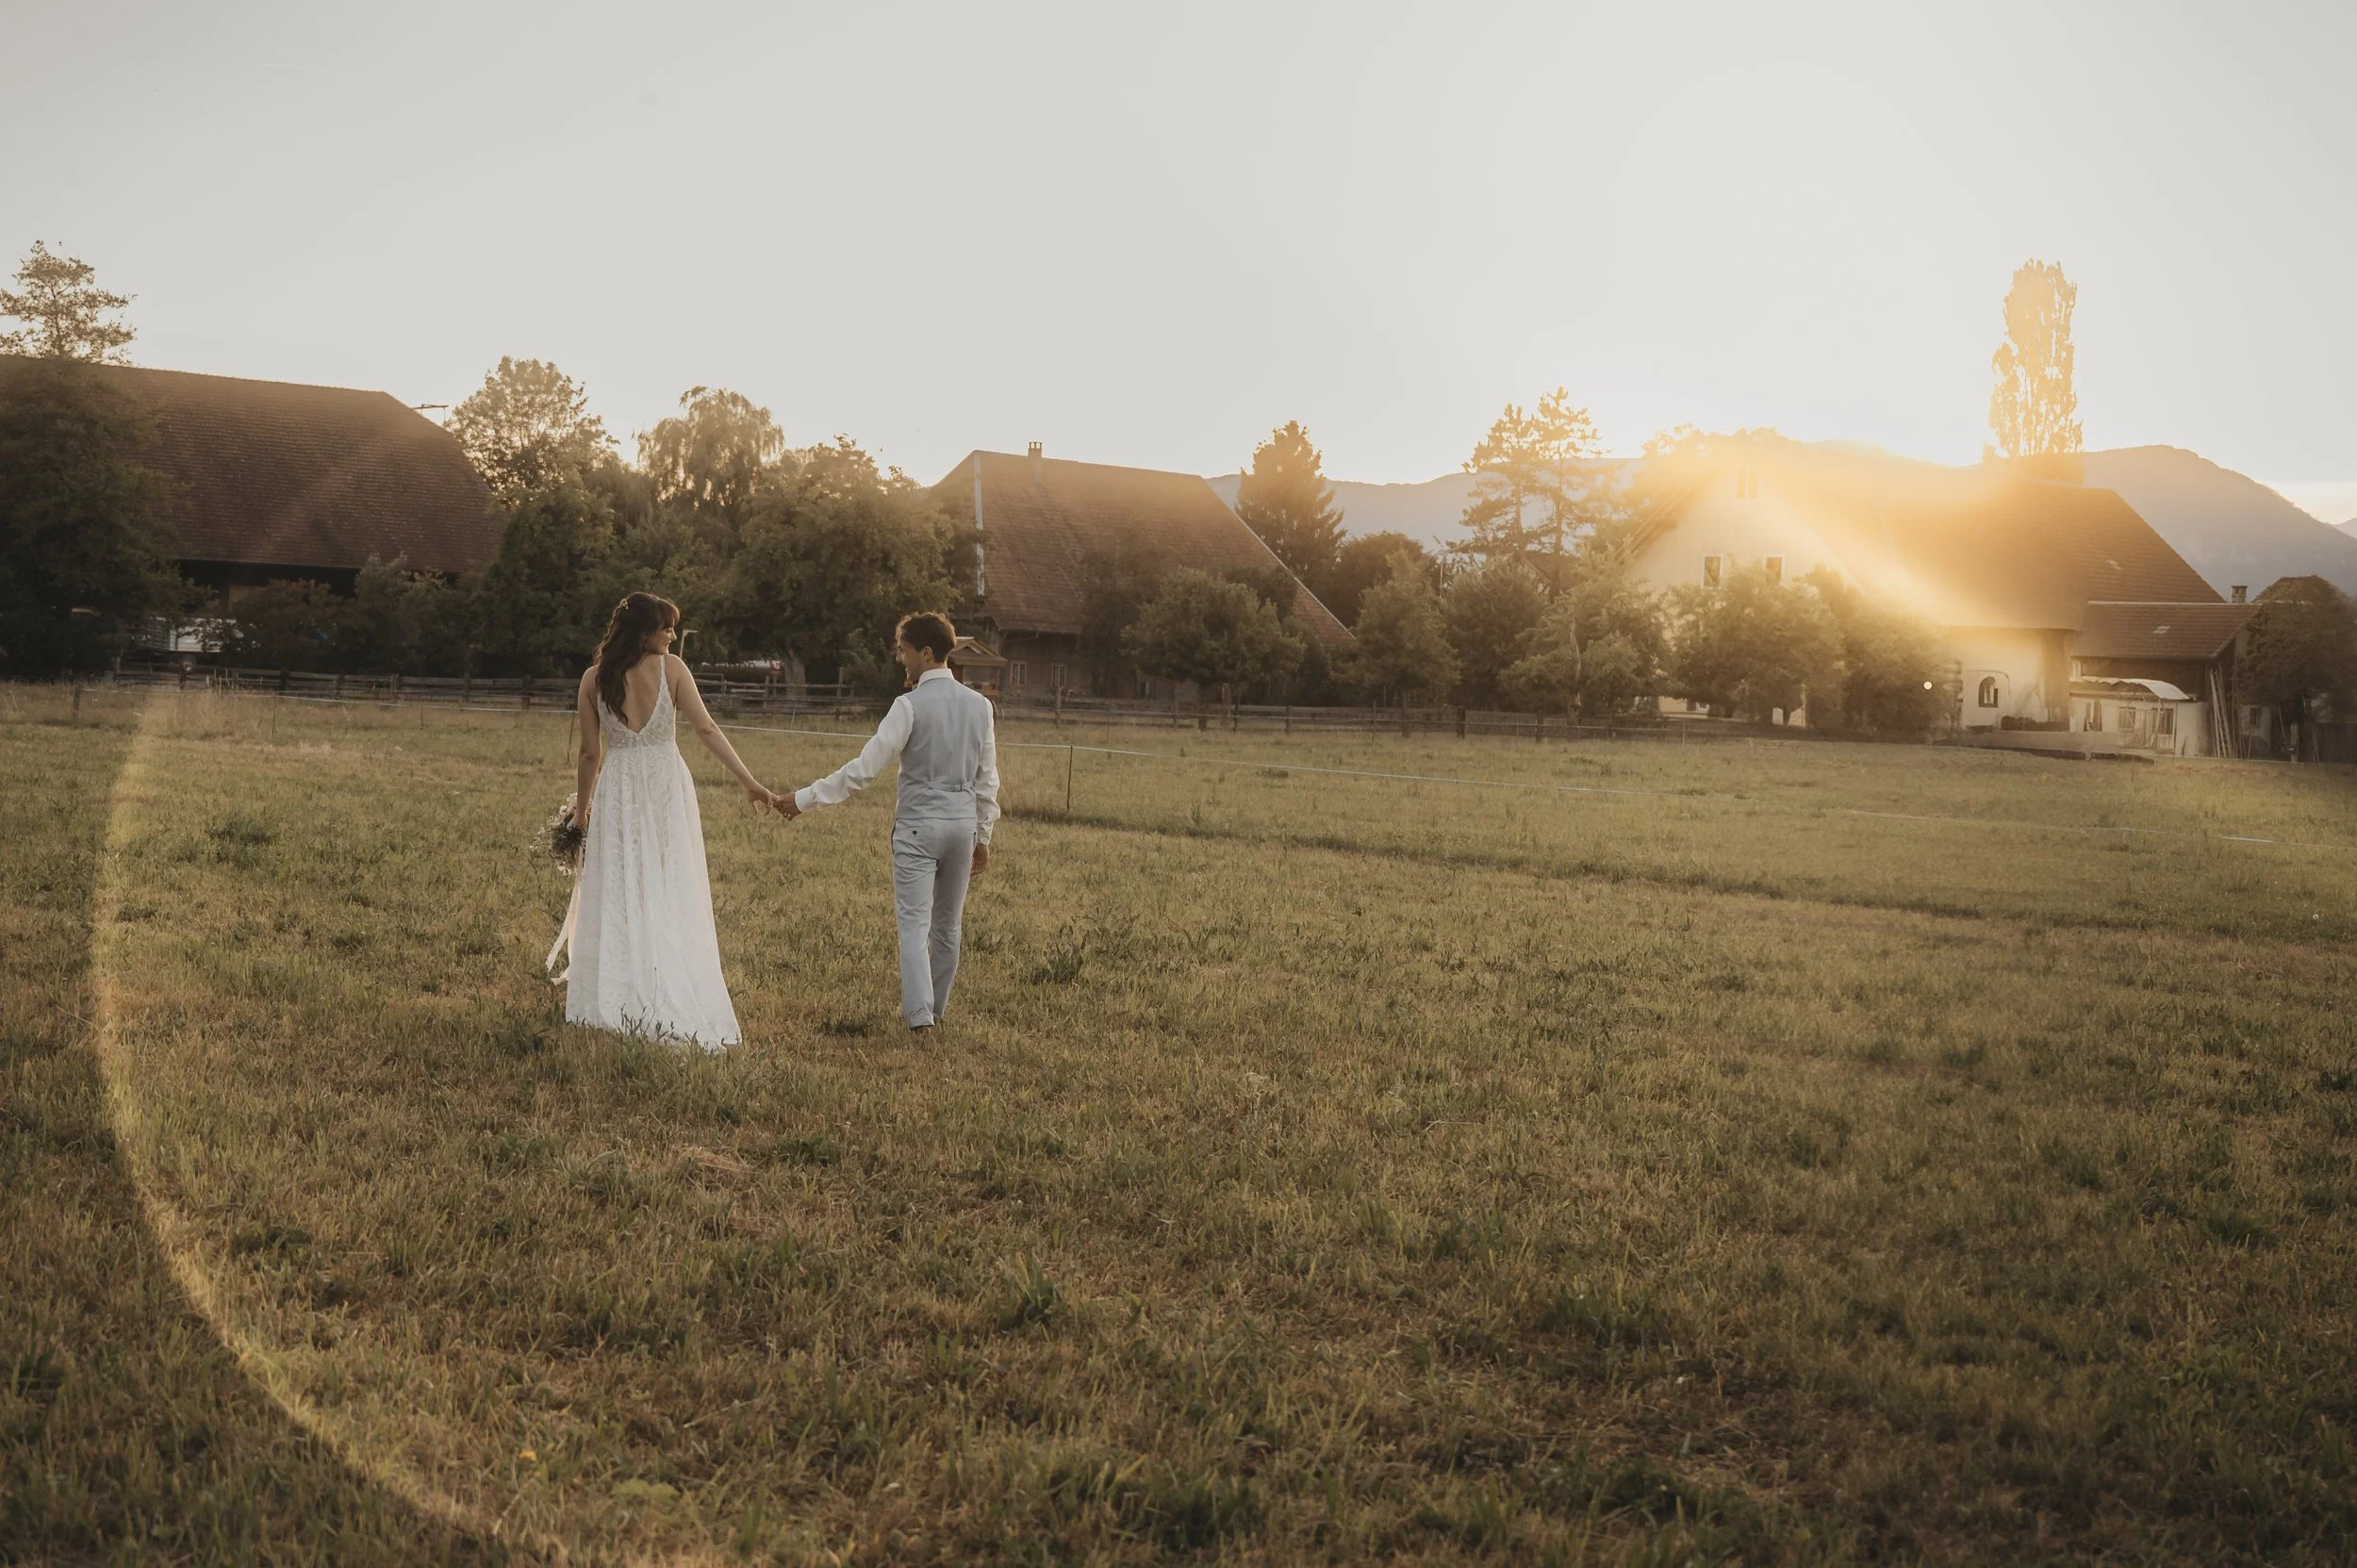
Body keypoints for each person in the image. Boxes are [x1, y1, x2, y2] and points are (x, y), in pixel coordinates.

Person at [547, 592, 779, 1049]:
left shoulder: (593, 679)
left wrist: (583, 809)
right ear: (642, 632)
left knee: (621, 882)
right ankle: (659, 976)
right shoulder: (671, 670)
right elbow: (706, 728)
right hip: (663, 785)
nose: (673, 635)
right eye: (666, 627)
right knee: (666, 880)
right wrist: (748, 782)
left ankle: (622, 982)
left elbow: (591, 754)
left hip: (618, 787)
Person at [777, 612, 998, 1032]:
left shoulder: (908, 705)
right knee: (949, 926)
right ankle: (935, 1011)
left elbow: (863, 770)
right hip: (962, 826)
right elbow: (987, 779)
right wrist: (983, 834)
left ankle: (920, 1017)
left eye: (904, 650)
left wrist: (804, 799)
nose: (901, 659)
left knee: (914, 924)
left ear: (926, 653)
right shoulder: (980, 706)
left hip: (918, 827)